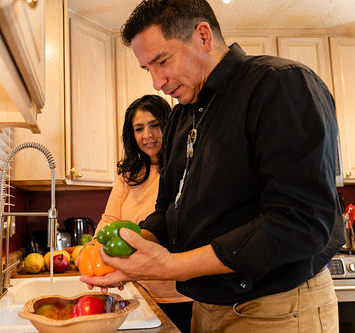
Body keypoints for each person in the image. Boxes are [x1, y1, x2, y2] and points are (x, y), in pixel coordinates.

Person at [80, 1, 345, 332]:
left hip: (277, 310)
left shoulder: (280, 85)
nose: (157, 82)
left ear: (203, 36)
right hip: (205, 310)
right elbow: (168, 212)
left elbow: (301, 221)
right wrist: (137, 248)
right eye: (148, 68)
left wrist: (172, 265)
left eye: (162, 61)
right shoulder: (180, 117)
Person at [94, 94, 193, 331]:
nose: (147, 135)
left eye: (155, 125)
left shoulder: (187, 169)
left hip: (182, 295)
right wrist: (96, 251)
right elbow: (109, 220)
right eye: (139, 129)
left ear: (169, 126)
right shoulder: (129, 175)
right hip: (137, 290)